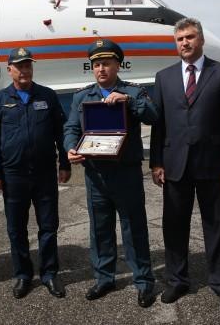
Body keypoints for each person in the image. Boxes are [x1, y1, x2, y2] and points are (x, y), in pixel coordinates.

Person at [150, 18, 220, 311]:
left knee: (217, 226)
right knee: (174, 226)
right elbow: (159, 125)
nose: (185, 43)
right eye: (180, 39)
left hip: (214, 166)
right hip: (174, 165)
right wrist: (156, 162)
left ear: (200, 40)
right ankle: (177, 280)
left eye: (189, 37)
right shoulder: (164, 77)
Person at [64, 39, 158, 308]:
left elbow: (153, 116)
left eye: (106, 63)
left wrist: (128, 101)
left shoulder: (133, 92)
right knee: (100, 229)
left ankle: (143, 281)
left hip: (126, 174)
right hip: (96, 175)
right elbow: (71, 128)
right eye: (96, 65)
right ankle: (104, 278)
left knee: (134, 229)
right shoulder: (82, 97)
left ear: (118, 65)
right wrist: (71, 148)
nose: (101, 69)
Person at [0, 47, 71, 299]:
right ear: (9, 69)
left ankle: (49, 273)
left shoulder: (48, 96)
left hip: (44, 173)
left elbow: (61, 131)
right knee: (16, 229)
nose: (24, 70)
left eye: (28, 65)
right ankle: (23, 275)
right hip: (13, 175)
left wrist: (65, 163)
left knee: (48, 226)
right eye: (19, 66)